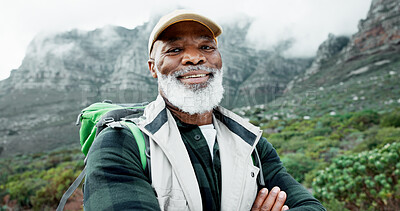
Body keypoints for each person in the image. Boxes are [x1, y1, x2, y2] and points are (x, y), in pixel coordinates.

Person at [83, 10, 326, 211]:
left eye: (206, 47)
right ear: (153, 68)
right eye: (175, 50)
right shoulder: (119, 142)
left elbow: (310, 207)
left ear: (219, 59)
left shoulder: (252, 144)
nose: (194, 57)